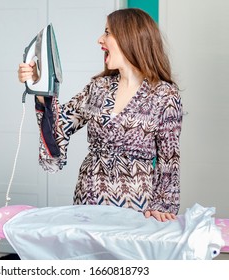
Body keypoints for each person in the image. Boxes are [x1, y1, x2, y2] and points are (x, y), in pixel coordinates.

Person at [18, 8, 183, 222]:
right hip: (88, 198)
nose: (100, 40)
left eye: (107, 32)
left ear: (129, 37)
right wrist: (39, 86)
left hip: (137, 207)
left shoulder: (164, 94)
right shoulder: (99, 87)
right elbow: (60, 126)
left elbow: (169, 158)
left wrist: (164, 205)